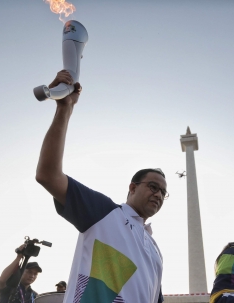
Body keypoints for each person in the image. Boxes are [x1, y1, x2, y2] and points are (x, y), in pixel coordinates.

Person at [35, 70, 167, 303]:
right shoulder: (106, 212)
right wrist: (64, 109)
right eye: (153, 187)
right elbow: (48, 175)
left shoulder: (156, 250)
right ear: (132, 187)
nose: (158, 194)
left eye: (164, 192)